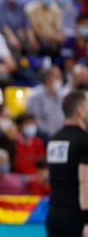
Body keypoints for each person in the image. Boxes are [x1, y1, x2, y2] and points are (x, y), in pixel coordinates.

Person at [45, 90, 88, 237]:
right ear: (80, 112)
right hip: (76, 218)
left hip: (54, 216)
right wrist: (86, 220)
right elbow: (85, 182)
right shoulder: (84, 140)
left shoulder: (54, 139)